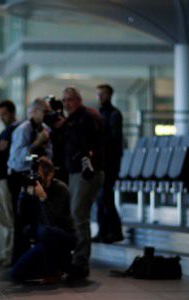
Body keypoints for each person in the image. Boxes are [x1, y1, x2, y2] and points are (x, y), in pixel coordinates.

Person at [61, 86, 105, 280]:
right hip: (74, 171)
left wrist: (67, 126)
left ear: (79, 100)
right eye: (64, 101)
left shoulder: (87, 117)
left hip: (87, 171)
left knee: (79, 214)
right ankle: (76, 261)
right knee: (74, 215)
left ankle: (80, 264)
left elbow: (87, 142)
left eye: (70, 100)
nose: (67, 104)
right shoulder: (71, 119)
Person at [10, 157, 77, 283]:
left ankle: (56, 269)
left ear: (50, 174)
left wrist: (43, 198)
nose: (37, 179)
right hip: (44, 241)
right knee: (15, 274)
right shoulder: (33, 188)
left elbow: (53, 221)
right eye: (35, 175)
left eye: (39, 175)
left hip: (64, 237)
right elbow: (22, 218)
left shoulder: (61, 189)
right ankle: (57, 268)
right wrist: (23, 195)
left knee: (45, 231)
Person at [8, 98, 52, 263]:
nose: (48, 115)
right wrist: (36, 143)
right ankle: (18, 260)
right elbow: (18, 159)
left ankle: (33, 260)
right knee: (21, 222)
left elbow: (49, 154)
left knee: (37, 220)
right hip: (20, 176)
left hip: (36, 177)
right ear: (34, 112)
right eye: (45, 112)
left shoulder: (45, 129)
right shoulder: (23, 129)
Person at [93, 84, 124, 244]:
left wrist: (96, 143)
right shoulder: (99, 114)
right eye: (98, 94)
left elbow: (114, 138)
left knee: (105, 197)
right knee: (102, 198)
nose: (99, 97)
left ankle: (115, 231)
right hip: (101, 161)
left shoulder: (114, 114)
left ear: (110, 95)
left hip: (110, 162)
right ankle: (104, 231)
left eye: (102, 94)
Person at [0, 100, 20, 267]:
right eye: (0, 115)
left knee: (10, 217)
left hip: (8, 178)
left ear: (12, 112)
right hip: (1, 176)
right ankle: (7, 252)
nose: (2, 118)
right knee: (4, 218)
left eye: (4, 114)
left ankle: (11, 254)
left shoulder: (16, 130)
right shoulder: (7, 131)